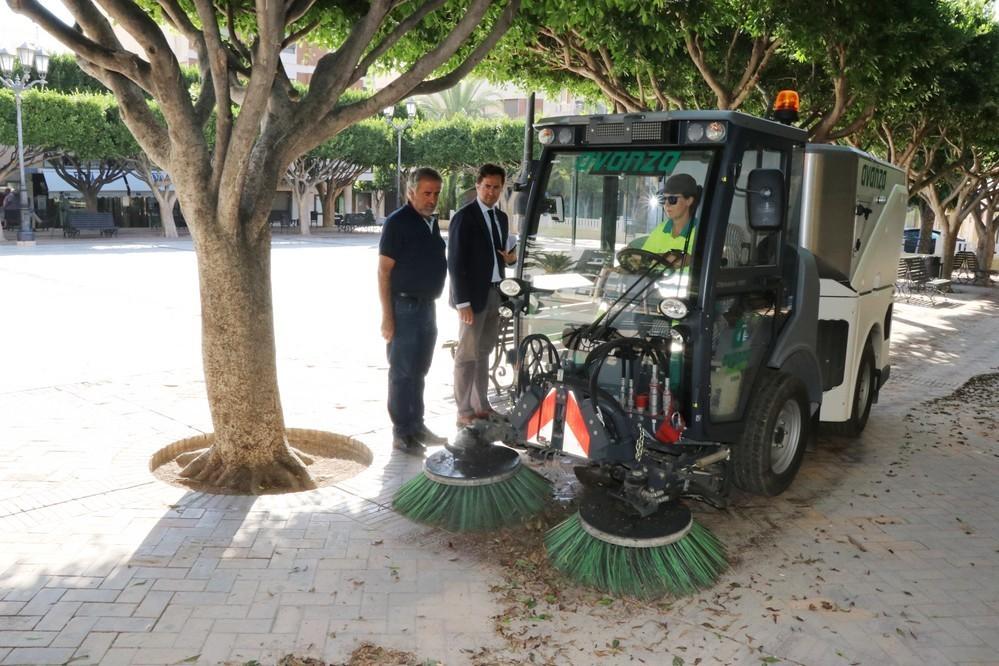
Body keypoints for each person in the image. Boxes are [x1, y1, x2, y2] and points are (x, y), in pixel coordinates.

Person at [378, 168, 449, 453]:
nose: (432, 199)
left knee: (420, 370)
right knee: (402, 372)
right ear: (411, 193)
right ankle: (402, 431)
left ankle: (417, 425)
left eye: (436, 194)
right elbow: (383, 272)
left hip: (427, 308)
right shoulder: (397, 223)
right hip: (404, 308)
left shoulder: (430, 223)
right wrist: (387, 317)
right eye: (427, 193)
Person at [447, 163, 516, 427]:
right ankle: (463, 411)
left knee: (485, 351)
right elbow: (455, 262)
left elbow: (502, 254)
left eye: (496, 187)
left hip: (496, 293)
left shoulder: (502, 218)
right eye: (486, 186)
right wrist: (462, 302)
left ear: (502, 188)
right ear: (477, 186)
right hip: (471, 298)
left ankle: (481, 405)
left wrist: (510, 259)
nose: (491, 192)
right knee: (467, 354)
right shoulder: (464, 217)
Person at [640, 173, 700, 257]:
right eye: (664, 199)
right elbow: (642, 257)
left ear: (689, 201)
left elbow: (682, 260)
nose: (666, 205)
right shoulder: (661, 229)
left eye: (672, 199)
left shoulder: (700, 233)